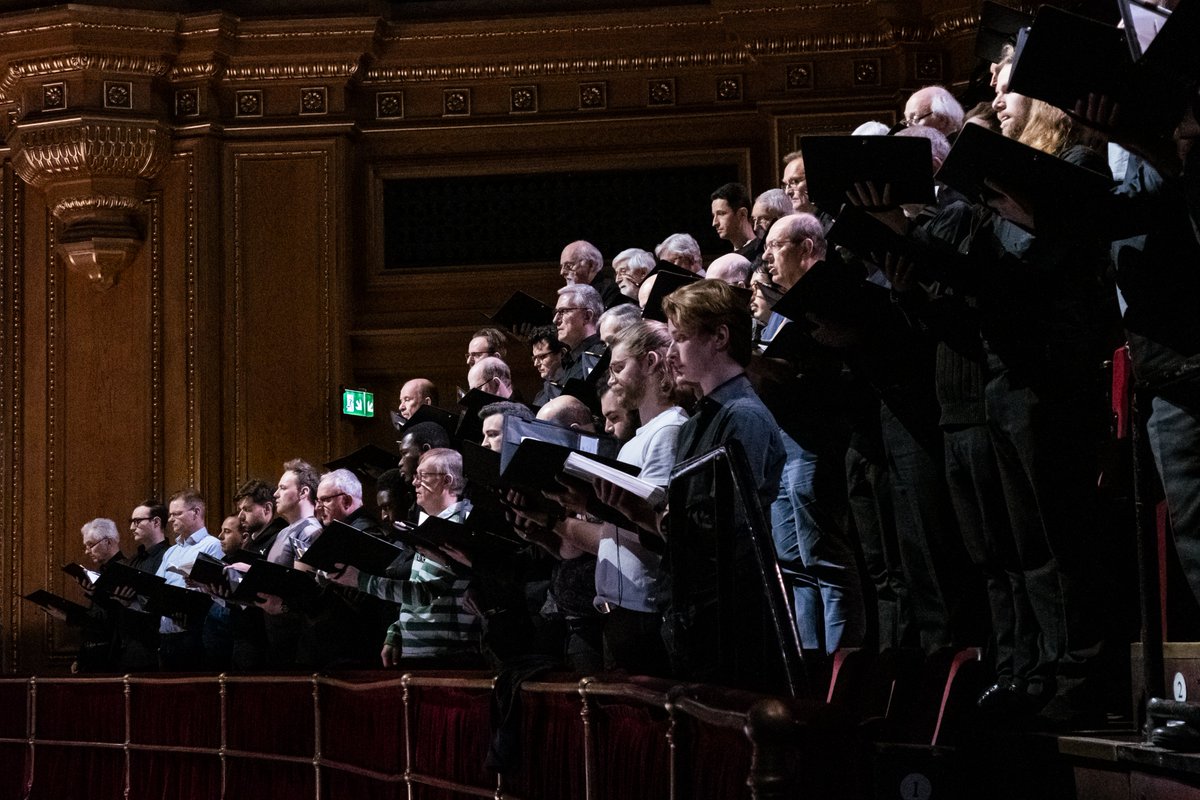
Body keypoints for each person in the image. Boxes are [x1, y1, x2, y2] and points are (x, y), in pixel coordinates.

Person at [156, 489, 223, 670]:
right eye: (170, 515)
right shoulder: (171, 551)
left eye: (177, 514)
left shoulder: (212, 545)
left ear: (196, 512)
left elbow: (213, 591)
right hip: (167, 635)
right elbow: (157, 587)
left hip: (194, 634)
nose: (170, 519)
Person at [76, 518, 125, 672]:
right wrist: (81, 656)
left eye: (90, 545)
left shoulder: (125, 571)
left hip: (114, 657)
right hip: (94, 654)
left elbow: (114, 617)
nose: (86, 551)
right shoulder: (100, 573)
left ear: (108, 542)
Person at [555, 284, 606, 383]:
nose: (555, 320)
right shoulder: (571, 360)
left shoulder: (601, 357)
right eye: (556, 312)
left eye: (563, 311)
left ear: (587, 316)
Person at [559, 239, 629, 309]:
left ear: (591, 265)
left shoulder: (611, 292)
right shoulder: (575, 293)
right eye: (562, 267)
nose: (562, 272)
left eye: (568, 266)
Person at [711, 182, 761, 261]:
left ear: (742, 214)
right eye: (714, 215)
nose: (714, 223)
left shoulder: (762, 254)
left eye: (721, 214)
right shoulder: (729, 259)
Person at [529, 326, 569, 407]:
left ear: (562, 353)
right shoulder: (539, 397)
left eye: (542, 356)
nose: (536, 364)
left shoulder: (575, 386)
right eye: (534, 358)